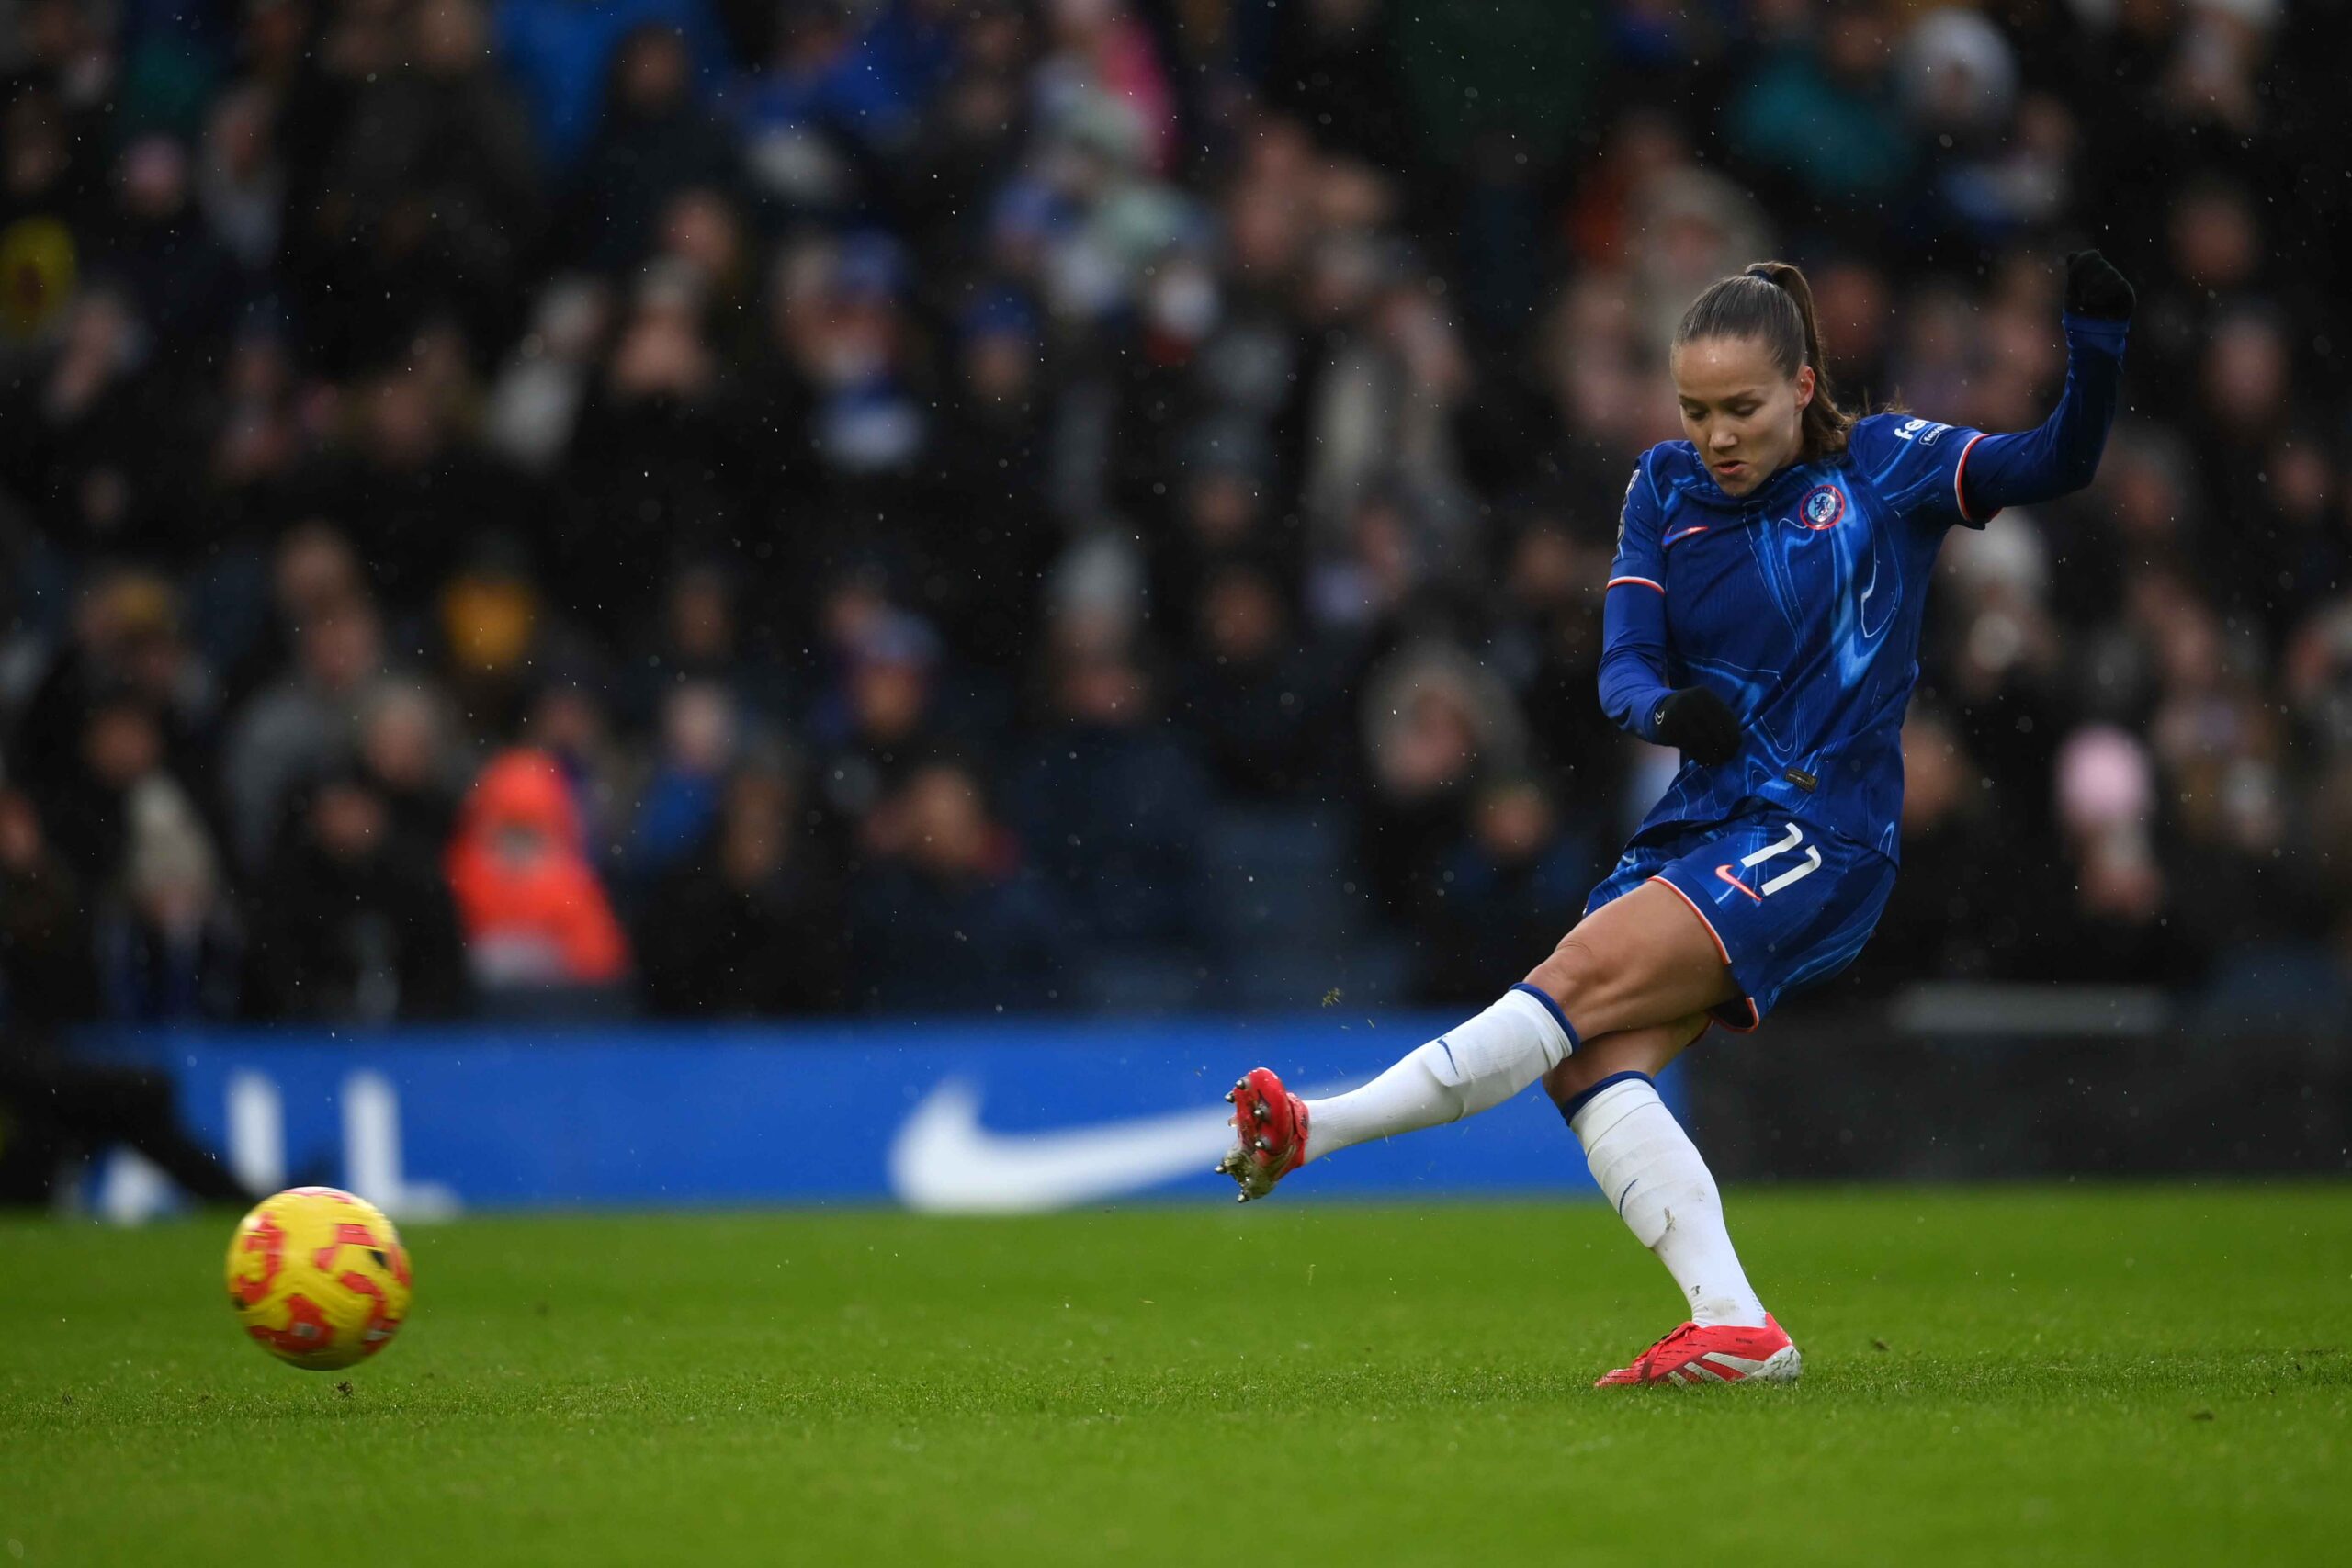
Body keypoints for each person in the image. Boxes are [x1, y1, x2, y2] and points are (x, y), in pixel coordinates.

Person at [1216, 252, 2135, 1387]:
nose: (1717, 435)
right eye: (1695, 409)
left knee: (1578, 977)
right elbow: (1625, 667)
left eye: (1742, 407)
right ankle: (1735, 1323)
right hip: (1707, 821)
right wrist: (1665, 710)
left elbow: (2060, 460)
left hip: (1822, 831)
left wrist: (2093, 355)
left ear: (1802, 386)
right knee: (1587, 1059)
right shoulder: (1662, 489)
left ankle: (1315, 1129)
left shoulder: (1888, 466)